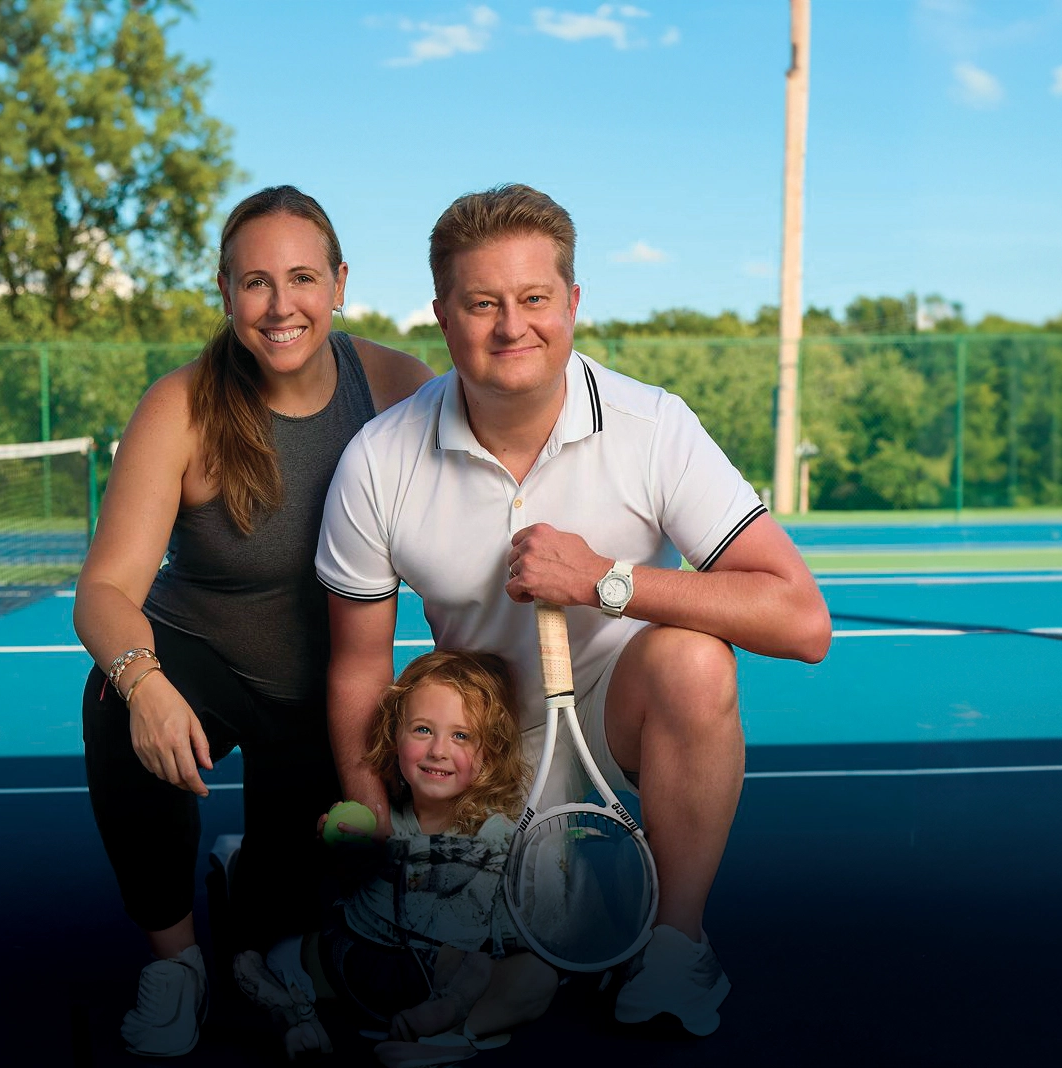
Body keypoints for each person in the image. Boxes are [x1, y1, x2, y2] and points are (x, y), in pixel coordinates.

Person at [316, 184, 832, 1038]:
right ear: (443, 317)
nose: (510, 326)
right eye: (481, 303)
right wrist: (380, 827)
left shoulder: (653, 426)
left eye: (533, 299)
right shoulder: (377, 459)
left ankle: (675, 946)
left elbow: (801, 621)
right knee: (467, 976)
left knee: (693, 660)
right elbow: (359, 666)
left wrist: (604, 579)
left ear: (573, 304)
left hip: (614, 717)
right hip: (470, 744)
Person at [74, 185, 433, 1058]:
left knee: (304, 903)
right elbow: (104, 592)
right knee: (115, 708)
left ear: (339, 283)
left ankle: (250, 873)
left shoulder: (395, 385)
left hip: (328, 688)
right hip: (201, 664)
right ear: (227, 292)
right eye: (257, 283)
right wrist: (146, 685)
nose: (282, 306)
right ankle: (176, 966)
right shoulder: (182, 405)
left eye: (303, 278)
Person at [231, 649, 558, 1067]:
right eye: (423, 729)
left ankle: (447, 1032)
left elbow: (511, 930)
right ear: (394, 736)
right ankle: (300, 1019)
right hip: (363, 965)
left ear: (488, 755)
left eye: (461, 736)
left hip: (449, 974)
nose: (438, 750)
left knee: (535, 975)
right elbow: (342, 888)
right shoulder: (376, 821)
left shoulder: (499, 837)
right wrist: (340, 849)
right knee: (267, 957)